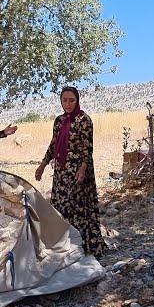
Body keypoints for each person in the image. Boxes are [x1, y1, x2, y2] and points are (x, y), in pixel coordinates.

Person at [35, 86, 106, 258]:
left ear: (77, 100)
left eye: (71, 100)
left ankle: (83, 246)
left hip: (78, 171)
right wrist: (43, 164)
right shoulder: (59, 121)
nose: (68, 104)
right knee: (60, 206)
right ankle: (63, 247)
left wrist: (82, 170)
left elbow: (88, 149)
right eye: (65, 100)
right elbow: (53, 145)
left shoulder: (84, 120)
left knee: (78, 207)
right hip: (61, 171)